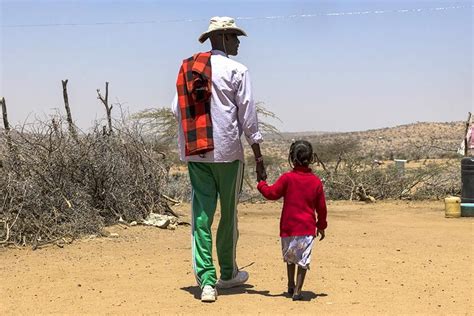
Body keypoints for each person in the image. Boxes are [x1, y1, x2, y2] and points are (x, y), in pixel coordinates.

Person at [171, 16, 267, 302]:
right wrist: (257, 154)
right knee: (228, 215)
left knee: (201, 217)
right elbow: (247, 114)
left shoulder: (188, 68)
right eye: (235, 37)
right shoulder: (238, 70)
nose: (238, 43)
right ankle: (227, 274)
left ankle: (206, 282)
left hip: (197, 153)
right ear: (224, 37)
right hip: (228, 154)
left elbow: (176, 109)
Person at [257, 140, 327, 301]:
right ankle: (297, 290)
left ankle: (290, 284)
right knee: (303, 259)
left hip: (288, 228)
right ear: (310, 159)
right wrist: (321, 225)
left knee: (290, 257)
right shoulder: (315, 182)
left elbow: (271, 194)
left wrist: (261, 184)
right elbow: (321, 208)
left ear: (292, 158)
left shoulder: (287, 178)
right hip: (306, 228)